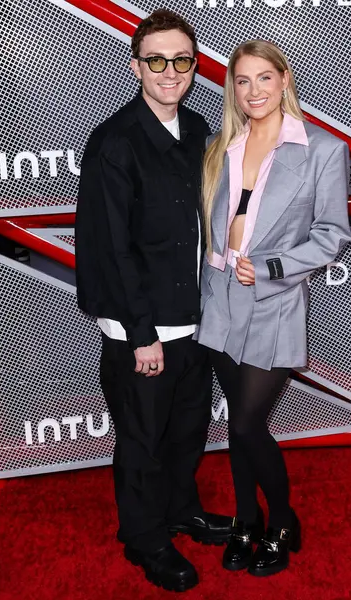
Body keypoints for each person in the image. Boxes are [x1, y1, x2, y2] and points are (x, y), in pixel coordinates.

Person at [75, 9, 231, 593]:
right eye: (158, 59)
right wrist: (141, 334)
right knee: (141, 440)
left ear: (194, 66)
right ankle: (144, 537)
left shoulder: (196, 131)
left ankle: (180, 510)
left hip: (195, 316)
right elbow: (111, 247)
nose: (171, 71)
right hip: (141, 327)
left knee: (187, 428)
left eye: (182, 60)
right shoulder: (115, 141)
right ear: (137, 64)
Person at [195, 39, 351, 577]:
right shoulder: (221, 145)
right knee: (241, 422)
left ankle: (281, 520)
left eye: (265, 78)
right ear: (232, 90)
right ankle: (245, 520)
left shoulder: (322, 149)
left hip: (274, 301)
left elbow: (332, 234)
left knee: (244, 425)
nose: (253, 90)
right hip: (217, 299)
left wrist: (271, 268)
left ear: (284, 80)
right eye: (242, 80)